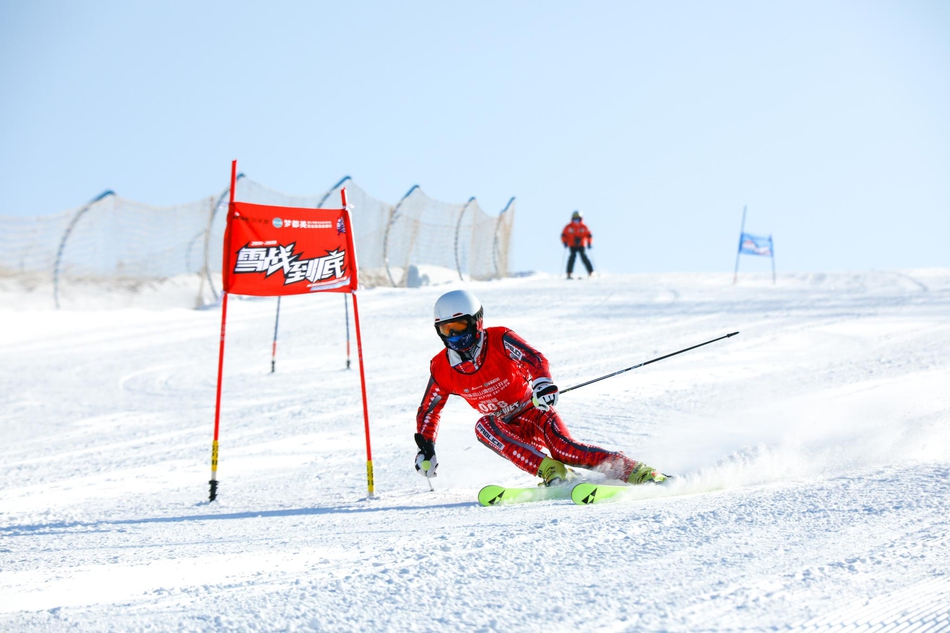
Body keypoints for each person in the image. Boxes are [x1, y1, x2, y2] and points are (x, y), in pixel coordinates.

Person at [413, 289, 665, 487]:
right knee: (483, 426)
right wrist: (426, 446)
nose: (454, 336)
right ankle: (552, 472)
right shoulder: (442, 367)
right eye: (446, 329)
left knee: (567, 450)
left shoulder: (499, 339)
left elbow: (532, 358)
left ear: (477, 321)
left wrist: (542, 383)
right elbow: (429, 410)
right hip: (506, 428)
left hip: (534, 412)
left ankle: (639, 472)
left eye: (460, 327)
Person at [561, 210, 593, 279]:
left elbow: (589, 235)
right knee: (572, 257)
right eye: (575, 218)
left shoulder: (584, 227)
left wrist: (589, 243)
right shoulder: (568, 227)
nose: (576, 220)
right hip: (572, 245)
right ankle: (569, 273)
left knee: (584, 257)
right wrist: (565, 242)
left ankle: (591, 272)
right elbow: (563, 235)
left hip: (581, 244)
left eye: (578, 218)